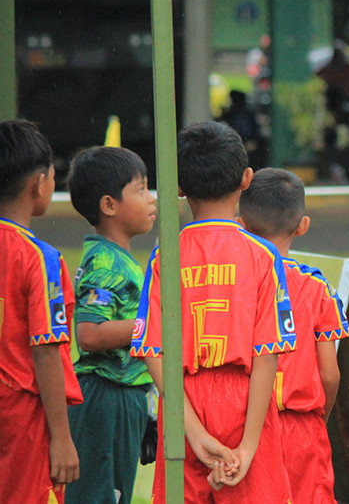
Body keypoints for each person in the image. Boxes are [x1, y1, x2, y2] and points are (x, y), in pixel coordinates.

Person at [130, 120, 297, 501]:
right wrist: (248, 446)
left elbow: (152, 352)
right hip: (246, 401)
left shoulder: (165, 256)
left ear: (179, 187)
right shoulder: (263, 255)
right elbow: (267, 352)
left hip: (183, 401)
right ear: (246, 179)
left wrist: (194, 432)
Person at [238, 168, 349, 504]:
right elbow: (330, 374)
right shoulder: (317, 288)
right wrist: (318, 419)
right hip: (301, 427)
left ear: (240, 225)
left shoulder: (236, 284)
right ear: (302, 226)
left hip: (245, 426)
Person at [63, 146, 157, 504]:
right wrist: (148, 325)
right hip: (104, 399)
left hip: (124, 398)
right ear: (109, 205)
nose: (151, 199)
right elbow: (89, 334)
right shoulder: (106, 263)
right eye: (141, 189)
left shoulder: (121, 259)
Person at [0, 119, 83, 504]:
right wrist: (63, 439)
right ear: (38, 183)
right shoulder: (39, 259)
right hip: (21, 418)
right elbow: (46, 349)